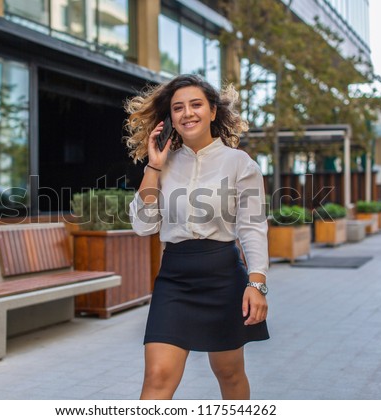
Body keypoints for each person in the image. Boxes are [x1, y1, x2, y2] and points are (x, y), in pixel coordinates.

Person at [124, 74, 270, 400]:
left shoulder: (239, 164)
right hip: (175, 279)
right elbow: (143, 226)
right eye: (178, 108)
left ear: (213, 111)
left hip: (224, 277)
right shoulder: (163, 165)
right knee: (158, 375)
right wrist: (153, 166)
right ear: (170, 117)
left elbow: (252, 226)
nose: (187, 113)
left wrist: (257, 283)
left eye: (195, 104)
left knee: (230, 374)